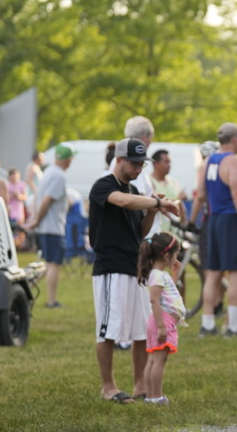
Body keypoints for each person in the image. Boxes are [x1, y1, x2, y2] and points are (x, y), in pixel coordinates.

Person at [89, 137, 181, 403]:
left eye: (142, 164)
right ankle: (108, 387)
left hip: (135, 268)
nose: (139, 169)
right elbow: (124, 202)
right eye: (134, 163)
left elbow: (139, 231)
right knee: (108, 331)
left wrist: (152, 211)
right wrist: (156, 203)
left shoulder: (135, 190)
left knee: (142, 330)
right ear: (119, 160)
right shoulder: (104, 185)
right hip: (110, 268)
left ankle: (141, 384)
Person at [192, 122, 237, 337]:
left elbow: (201, 194)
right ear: (235, 139)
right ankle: (233, 326)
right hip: (231, 220)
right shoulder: (234, 161)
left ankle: (208, 324)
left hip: (213, 219)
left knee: (213, 273)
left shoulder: (208, 160)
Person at [24, 144, 77, 308]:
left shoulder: (48, 172)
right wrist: (36, 220)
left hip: (47, 226)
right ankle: (51, 301)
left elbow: (38, 196)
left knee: (48, 264)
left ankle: (26, 287)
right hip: (53, 227)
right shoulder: (59, 176)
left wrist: (35, 217)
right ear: (67, 160)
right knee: (54, 264)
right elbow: (47, 200)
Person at [138, 232, 186, 406]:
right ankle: (156, 397)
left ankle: (151, 397)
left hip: (161, 321)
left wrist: (174, 275)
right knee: (159, 361)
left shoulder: (158, 274)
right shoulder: (157, 275)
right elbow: (154, 300)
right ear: (166, 256)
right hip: (163, 322)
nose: (176, 258)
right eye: (175, 255)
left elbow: (167, 293)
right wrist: (161, 327)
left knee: (153, 360)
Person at [149, 149, 187, 233]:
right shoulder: (149, 182)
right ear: (155, 163)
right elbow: (153, 205)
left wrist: (184, 225)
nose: (169, 165)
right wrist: (177, 199)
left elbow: (181, 206)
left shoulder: (174, 182)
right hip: (158, 233)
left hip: (175, 233)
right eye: (166, 162)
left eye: (170, 162)